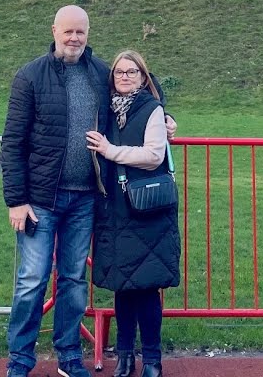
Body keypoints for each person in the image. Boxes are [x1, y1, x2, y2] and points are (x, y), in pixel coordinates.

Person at [0, 6, 174, 377]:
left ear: (88, 33)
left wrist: (166, 115)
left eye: (80, 32)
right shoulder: (30, 76)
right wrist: (16, 200)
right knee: (32, 280)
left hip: (84, 199)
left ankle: (68, 358)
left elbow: (141, 84)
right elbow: (12, 141)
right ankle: (20, 360)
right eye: (68, 32)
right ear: (54, 31)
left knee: (74, 280)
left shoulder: (100, 74)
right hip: (41, 199)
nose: (74, 38)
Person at [85, 50, 180, 377]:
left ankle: (152, 359)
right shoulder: (105, 111)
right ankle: (125, 357)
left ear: (143, 77)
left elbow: (153, 155)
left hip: (147, 206)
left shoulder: (151, 109)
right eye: (119, 73)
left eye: (132, 72)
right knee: (123, 287)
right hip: (116, 208)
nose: (124, 77)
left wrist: (110, 151)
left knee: (147, 288)